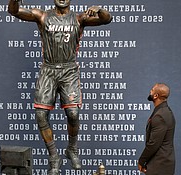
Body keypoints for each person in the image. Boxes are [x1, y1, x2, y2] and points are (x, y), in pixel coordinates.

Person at [8, 0, 112, 174]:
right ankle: (54, 156)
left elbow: (106, 19)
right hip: (48, 69)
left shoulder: (79, 18)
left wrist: (100, 9)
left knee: (73, 113)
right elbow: (15, 11)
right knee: (41, 115)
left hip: (68, 70)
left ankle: (72, 148)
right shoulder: (42, 16)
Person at [138, 83, 176, 175]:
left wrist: (141, 161)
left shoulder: (160, 116)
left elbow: (154, 143)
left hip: (159, 165)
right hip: (162, 163)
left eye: (152, 90)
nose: (150, 91)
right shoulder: (165, 111)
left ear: (155, 96)